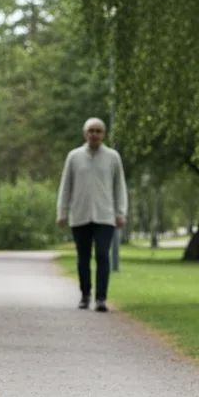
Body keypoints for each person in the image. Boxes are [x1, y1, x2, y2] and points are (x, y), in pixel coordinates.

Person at [56, 117, 128, 312]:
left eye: (98, 131)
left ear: (103, 134)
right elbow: (66, 186)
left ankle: (101, 298)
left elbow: (119, 186)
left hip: (105, 216)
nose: (94, 134)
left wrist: (121, 212)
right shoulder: (74, 156)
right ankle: (85, 295)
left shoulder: (113, 157)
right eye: (91, 131)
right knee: (83, 257)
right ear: (85, 133)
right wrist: (61, 211)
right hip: (80, 215)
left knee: (103, 255)